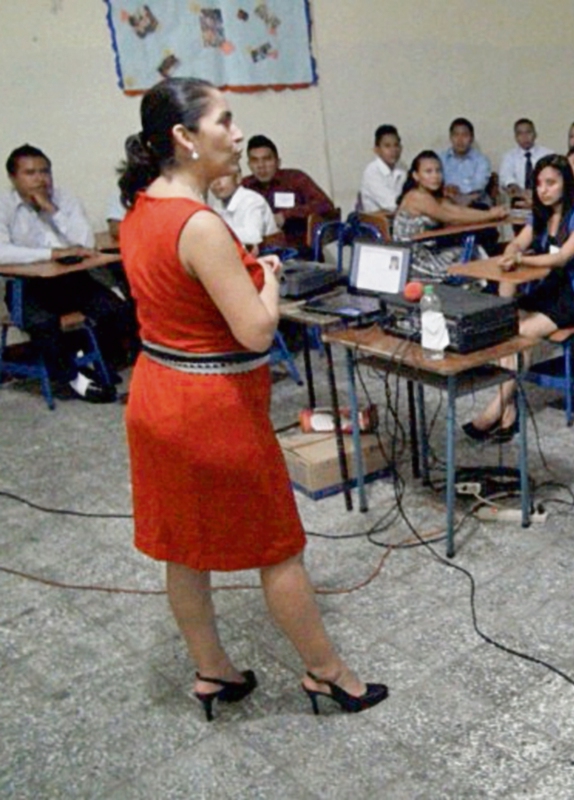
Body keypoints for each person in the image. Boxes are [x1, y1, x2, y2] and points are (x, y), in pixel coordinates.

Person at [118, 77, 386, 719]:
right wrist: (265, 277)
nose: (238, 135)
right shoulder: (198, 225)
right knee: (278, 547)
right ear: (184, 137)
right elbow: (257, 331)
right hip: (210, 409)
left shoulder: (141, 208)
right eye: (225, 121)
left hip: (158, 395)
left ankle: (213, 670)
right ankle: (327, 673)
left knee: (184, 547)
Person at [464, 155, 574, 440]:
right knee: (506, 324)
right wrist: (512, 253)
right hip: (552, 289)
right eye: (539, 184)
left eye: (551, 183)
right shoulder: (541, 215)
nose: (543, 190)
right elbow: (517, 242)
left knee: (523, 331)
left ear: (566, 183)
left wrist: (522, 261)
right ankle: (509, 409)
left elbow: (562, 258)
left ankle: (494, 410)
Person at [0, 144, 133, 402]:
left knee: (116, 310)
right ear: (13, 177)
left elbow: (86, 243)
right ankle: (75, 379)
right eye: (30, 173)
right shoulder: (4, 206)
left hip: (71, 280)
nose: (40, 179)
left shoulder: (63, 199)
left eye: (44, 171)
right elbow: (2, 251)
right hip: (28, 287)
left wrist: (52, 210)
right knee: (43, 324)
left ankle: (93, 363)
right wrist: (51, 254)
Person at [392, 150, 507, 281]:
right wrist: (490, 215)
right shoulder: (416, 196)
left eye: (438, 171)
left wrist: (490, 213)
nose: (435, 176)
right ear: (416, 176)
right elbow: (452, 216)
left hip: (430, 250)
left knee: (476, 250)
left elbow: (458, 210)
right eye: (428, 172)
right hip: (414, 259)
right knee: (473, 257)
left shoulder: (432, 196)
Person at [240, 134, 334, 250]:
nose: (261, 166)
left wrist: (285, 215)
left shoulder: (295, 179)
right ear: (249, 165)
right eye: (255, 160)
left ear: (278, 162)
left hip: (297, 250)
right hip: (258, 251)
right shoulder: (245, 186)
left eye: (267, 159)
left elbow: (325, 205)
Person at [208, 164, 279, 254]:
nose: (216, 183)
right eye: (211, 178)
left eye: (222, 175)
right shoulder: (217, 204)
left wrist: (214, 232)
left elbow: (253, 236)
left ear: (238, 178)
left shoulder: (252, 200)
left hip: (266, 255)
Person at [498, 118, 553, 208]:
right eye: (520, 133)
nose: (525, 137)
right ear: (515, 137)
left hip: (544, 200)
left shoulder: (548, 154)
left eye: (528, 132)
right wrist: (518, 190)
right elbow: (505, 177)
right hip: (518, 200)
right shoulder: (509, 156)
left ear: (535, 134)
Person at [439, 117, 492, 207]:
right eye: (456, 135)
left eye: (465, 135)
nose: (460, 140)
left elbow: (478, 189)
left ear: (471, 138)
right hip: (445, 202)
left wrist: (457, 191)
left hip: (474, 203)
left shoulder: (481, 160)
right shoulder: (440, 158)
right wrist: (446, 190)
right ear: (450, 138)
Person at [358, 124, 405, 213]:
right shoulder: (372, 172)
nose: (393, 150)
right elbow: (391, 205)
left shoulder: (402, 168)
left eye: (396, 145)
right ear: (377, 150)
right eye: (387, 146)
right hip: (379, 220)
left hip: (402, 216)